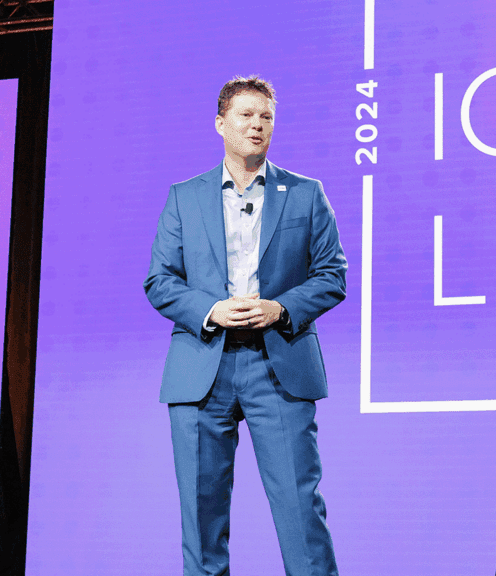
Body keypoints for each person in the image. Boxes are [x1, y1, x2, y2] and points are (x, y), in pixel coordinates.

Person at [144, 75, 347, 576]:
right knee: (201, 518)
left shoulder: (304, 193)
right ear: (220, 124)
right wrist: (210, 310)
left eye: (267, 117)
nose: (257, 125)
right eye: (246, 115)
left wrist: (279, 309)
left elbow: (332, 274)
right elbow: (159, 281)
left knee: (301, 512)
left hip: (277, 363)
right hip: (202, 367)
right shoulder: (183, 197)